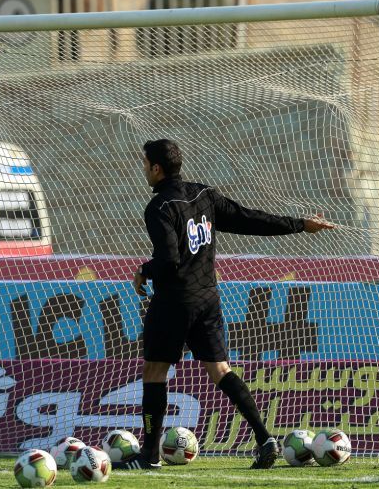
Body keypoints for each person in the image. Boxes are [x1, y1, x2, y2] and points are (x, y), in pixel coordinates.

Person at [113, 139, 335, 471]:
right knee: (220, 370)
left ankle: (149, 456)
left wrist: (145, 270)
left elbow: (169, 261)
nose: (143, 168)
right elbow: (249, 219)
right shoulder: (204, 195)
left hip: (175, 301)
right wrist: (300, 224)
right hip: (208, 298)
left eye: (144, 163)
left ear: (156, 168)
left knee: (154, 372)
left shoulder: (160, 207)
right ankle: (265, 438)